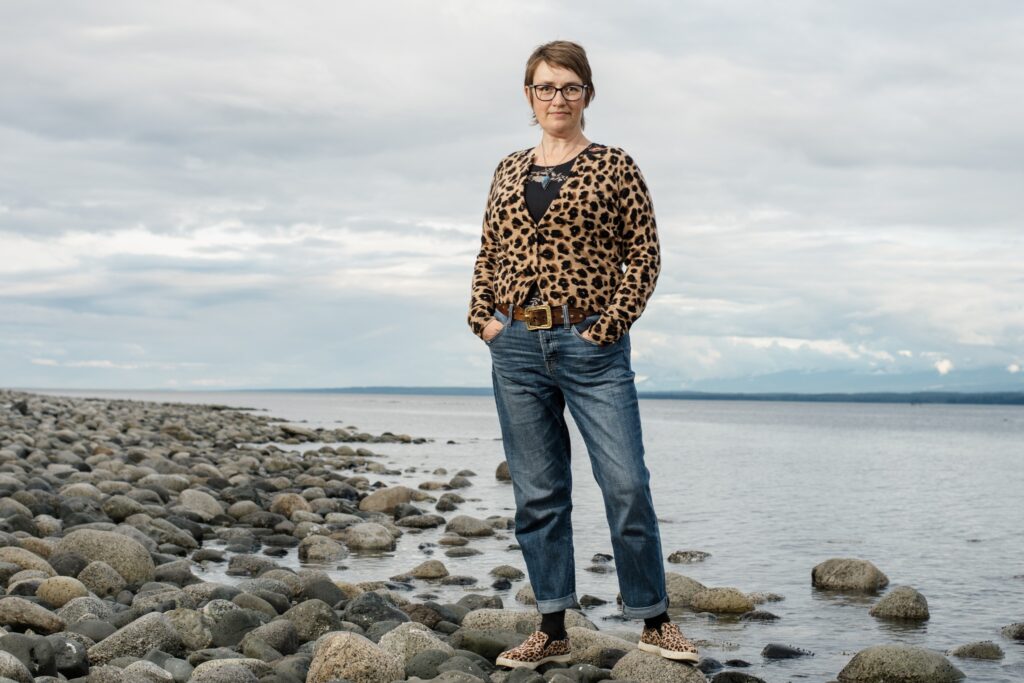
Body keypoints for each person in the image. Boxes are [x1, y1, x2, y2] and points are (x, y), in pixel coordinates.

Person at [467, 40, 699, 670]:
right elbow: (489, 250)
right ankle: (552, 628)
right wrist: (482, 319)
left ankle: (654, 620)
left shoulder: (616, 166)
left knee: (625, 482)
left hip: (591, 344)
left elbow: (644, 256)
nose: (557, 99)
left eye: (569, 87)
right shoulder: (508, 170)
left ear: (587, 94)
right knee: (538, 494)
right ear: (528, 96)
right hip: (515, 345)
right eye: (545, 88)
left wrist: (608, 325)